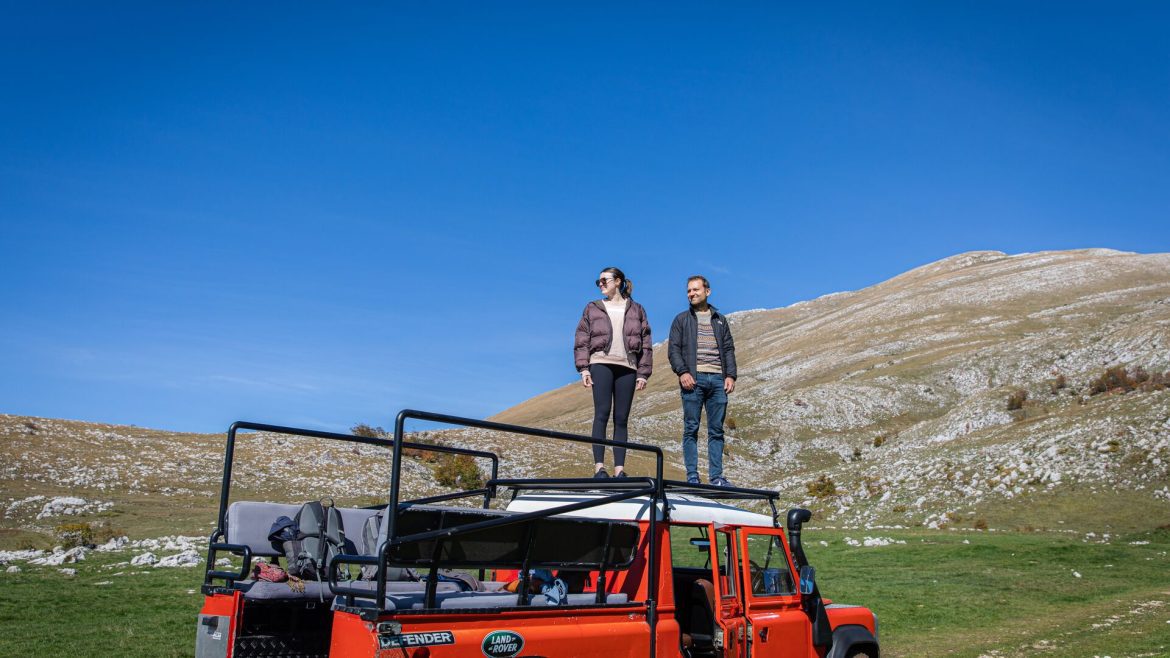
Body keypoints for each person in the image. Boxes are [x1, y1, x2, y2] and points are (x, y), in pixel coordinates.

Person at [574, 267, 653, 478]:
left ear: (617, 281)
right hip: (600, 363)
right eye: (598, 281)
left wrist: (643, 373)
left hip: (628, 366)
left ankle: (620, 470)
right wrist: (584, 368)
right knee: (601, 414)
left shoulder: (637, 309)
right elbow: (582, 339)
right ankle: (599, 468)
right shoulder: (593, 308)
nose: (600, 284)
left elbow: (646, 343)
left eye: (603, 280)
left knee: (621, 418)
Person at [668, 275, 737, 486]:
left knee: (716, 430)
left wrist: (730, 375)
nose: (691, 294)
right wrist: (683, 373)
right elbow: (673, 350)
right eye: (688, 291)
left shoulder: (720, 320)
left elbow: (728, 349)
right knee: (691, 428)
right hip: (693, 381)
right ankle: (692, 476)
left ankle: (716, 477)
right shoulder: (681, 320)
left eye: (695, 290)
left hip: (718, 380)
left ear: (707, 291)